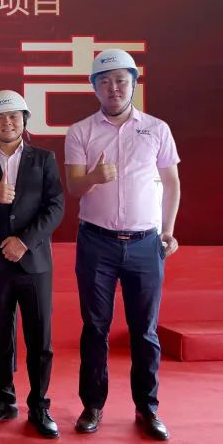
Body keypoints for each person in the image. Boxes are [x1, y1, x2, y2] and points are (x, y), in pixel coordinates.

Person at [65, 49, 180, 441]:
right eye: (104, 81)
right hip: (96, 242)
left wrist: (168, 230)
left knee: (144, 330)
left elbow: (171, 183)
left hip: (146, 243)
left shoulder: (156, 128)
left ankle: (147, 407)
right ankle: (92, 405)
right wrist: (94, 177)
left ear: (133, 84)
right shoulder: (80, 131)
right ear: (94, 87)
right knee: (95, 327)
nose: (113, 88)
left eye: (120, 81)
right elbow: (74, 187)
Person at [0, 90, 64, 439]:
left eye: (14, 117)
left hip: (33, 260)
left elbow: (55, 206)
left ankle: (39, 404)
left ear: (24, 120)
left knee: (40, 337)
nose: (7, 123)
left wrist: (24, 241)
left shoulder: (44, 158)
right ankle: (5, 398)